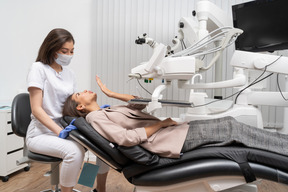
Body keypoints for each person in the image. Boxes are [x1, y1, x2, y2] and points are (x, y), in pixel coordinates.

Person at [62, 76, 288, 159]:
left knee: (231, 125)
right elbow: (125, 138)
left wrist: (111, 93)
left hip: (173, 132)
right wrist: (161, 124)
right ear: (81, 106)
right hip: (168, 139)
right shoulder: (95, 119)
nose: (85, 89)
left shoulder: (107, 110)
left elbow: (140, 102)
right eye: (79, 93)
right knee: (233, 130)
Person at [26, 28, 107, 192]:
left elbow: (72, 107)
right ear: (52, 48)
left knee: (102, 146)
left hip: (65, 128)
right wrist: (59, 131)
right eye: (65, 51)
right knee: (74, 153)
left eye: (71, 51)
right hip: (41, 133)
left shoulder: (70, 74)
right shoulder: (38, 68)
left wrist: (95, 115)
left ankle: (96, 187)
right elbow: (36, 109)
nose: (69, 55)